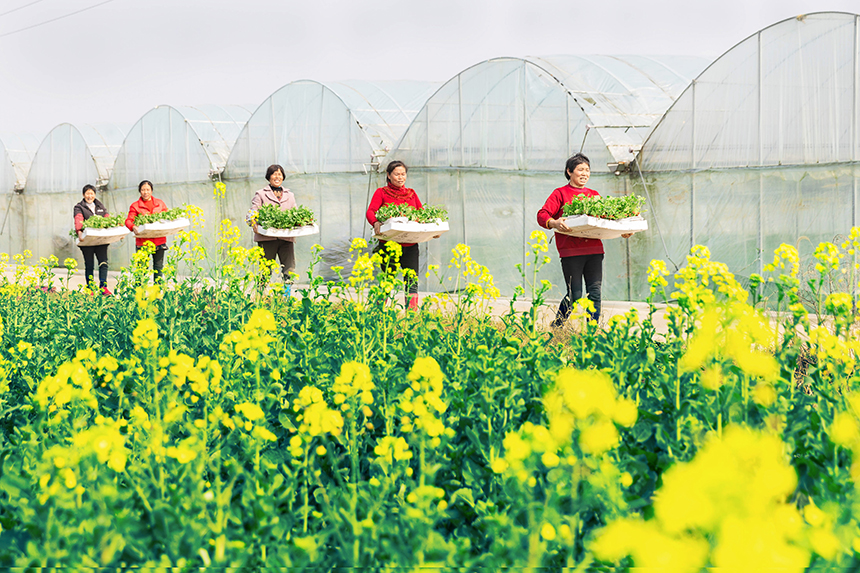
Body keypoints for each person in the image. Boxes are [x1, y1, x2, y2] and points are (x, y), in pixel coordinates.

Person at [537, 153, 631, 327]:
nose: (585, 173)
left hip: (594, 251)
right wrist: (554, 222)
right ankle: (557, 326)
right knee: (575, 295)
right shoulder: (560, 193)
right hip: (570, 252)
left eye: (587, 170)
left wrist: (623, 231)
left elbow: (607, 219)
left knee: (595, 293)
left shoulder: (594, 195)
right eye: (580, 169)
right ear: (569, 171)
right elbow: (542, 215)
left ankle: (592, 332)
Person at [366, 160, 422, 310]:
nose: (400, 177)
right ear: (389, 175)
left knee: (411, 282)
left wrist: (431, 231)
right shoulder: (381, 192)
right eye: (397, 174)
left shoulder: (411, 194)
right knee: (387, 281)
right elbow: (371, 211)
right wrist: (375, 222)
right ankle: (377, 313)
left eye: (403, 174)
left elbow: (421, 213)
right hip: (389, 245)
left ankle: (411, 316)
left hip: (410, 245)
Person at [250, 164, 296, 295]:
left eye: (280, 174)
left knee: (289, 268)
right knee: (265, 269)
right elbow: (253, 211)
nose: (277, 177)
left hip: (286, 237)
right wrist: (253, 222)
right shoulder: (261, 194)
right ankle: (260, 295)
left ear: (283, 177)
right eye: (274, 174)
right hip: (267, 238)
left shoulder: (290, 195)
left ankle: (286, 296)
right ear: (269, 177)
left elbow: (295, 212)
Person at [125, 180, 168, 282]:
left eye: (148, 190)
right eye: (143, 190)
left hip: (159, 240)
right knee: (142, 269)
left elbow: (168, 217)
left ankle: (157, 290)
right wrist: (133, 227)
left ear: (151, 191)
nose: (145, 192)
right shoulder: (135, 206)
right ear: (140, 191)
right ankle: (140, 290)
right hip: (143, 242)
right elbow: (128, 220)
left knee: (158, 268)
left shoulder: (160, 204)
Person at [73, 184, 111, 294]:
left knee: (103, 263)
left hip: (100, 240)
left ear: (95, 194)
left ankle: (103, 287)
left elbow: (107, 217)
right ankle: (90, 288)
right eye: (87, 193)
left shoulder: (100, 205)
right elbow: (78, 219)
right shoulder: (79, 207)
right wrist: (79, 231)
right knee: (89, 264)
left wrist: (117, 228)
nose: (90, 196)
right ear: (83, 195)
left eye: (92, 193)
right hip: (88, 241)